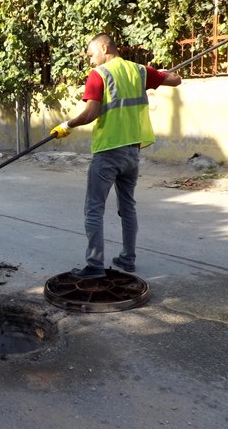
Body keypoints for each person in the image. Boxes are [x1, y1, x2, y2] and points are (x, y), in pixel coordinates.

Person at [51, 32, 182, 278]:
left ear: (104, 47)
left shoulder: (99, 75)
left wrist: (66, 126)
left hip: (108, 151)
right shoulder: (140, 71)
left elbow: (90, 114)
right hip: (132, 152)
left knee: (93, 209)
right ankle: (128, 258)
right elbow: (176, 80)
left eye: (91, 55)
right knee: (127, 207)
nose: (90, 61)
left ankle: (94, 266)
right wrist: (161, 73)